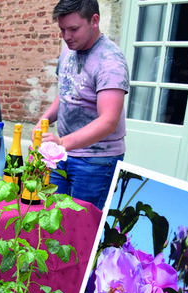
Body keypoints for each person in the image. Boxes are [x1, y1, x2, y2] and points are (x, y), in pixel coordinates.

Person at [36, 0, 128, 209]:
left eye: (73, 29)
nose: (66, 36)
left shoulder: (110, 61)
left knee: (81, 229)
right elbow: (67, 93)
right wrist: (43, 121)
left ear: (94, 21)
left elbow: (109, 121)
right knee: (52, 220)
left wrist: (61, 143)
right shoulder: (68, 51)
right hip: (63, 155)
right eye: (62, 29)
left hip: (96, 162)